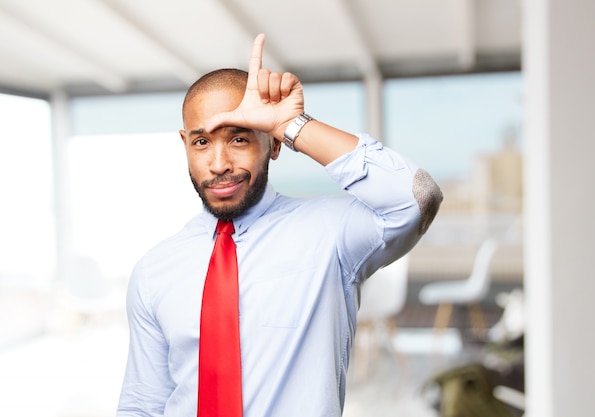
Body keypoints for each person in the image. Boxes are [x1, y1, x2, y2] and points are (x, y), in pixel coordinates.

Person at [117, 34, 443, 417]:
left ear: (272, 144)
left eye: (238, 138)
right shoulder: (154, 270)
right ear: (184, 144)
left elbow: (417, 198)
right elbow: (143, 402)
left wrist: (292, 124)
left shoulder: (330, 235)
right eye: (201, 142)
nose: (218, 163)